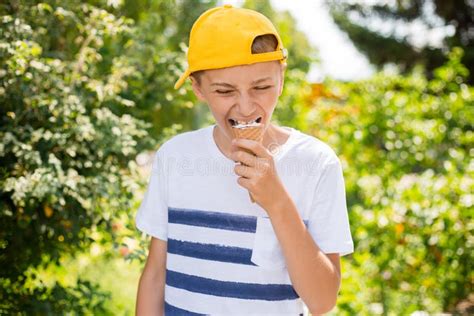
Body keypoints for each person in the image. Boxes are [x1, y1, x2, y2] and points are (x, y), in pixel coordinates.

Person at [135, 4, 354, 315]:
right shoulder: (175, 157)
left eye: (261, 87)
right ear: (198, 88)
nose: (246, 107)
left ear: (281, 79)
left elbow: (322, 300)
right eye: (225, 91)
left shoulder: (317, 164)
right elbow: (156, 275)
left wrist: (276, 200)